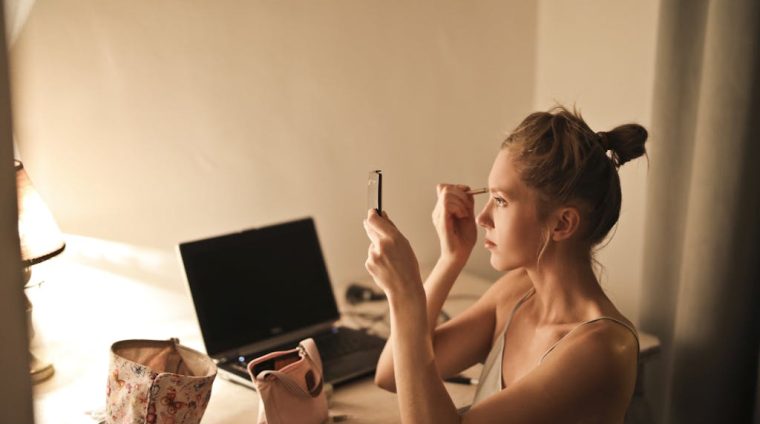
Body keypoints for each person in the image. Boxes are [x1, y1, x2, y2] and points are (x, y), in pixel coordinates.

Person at [362, 105, 647, 423]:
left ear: (562, 223)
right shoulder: (516, 293)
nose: (482, 218)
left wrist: (407, 296)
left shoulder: (601, 349)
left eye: (500, 200)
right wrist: (450, 258)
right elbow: (389, 375)